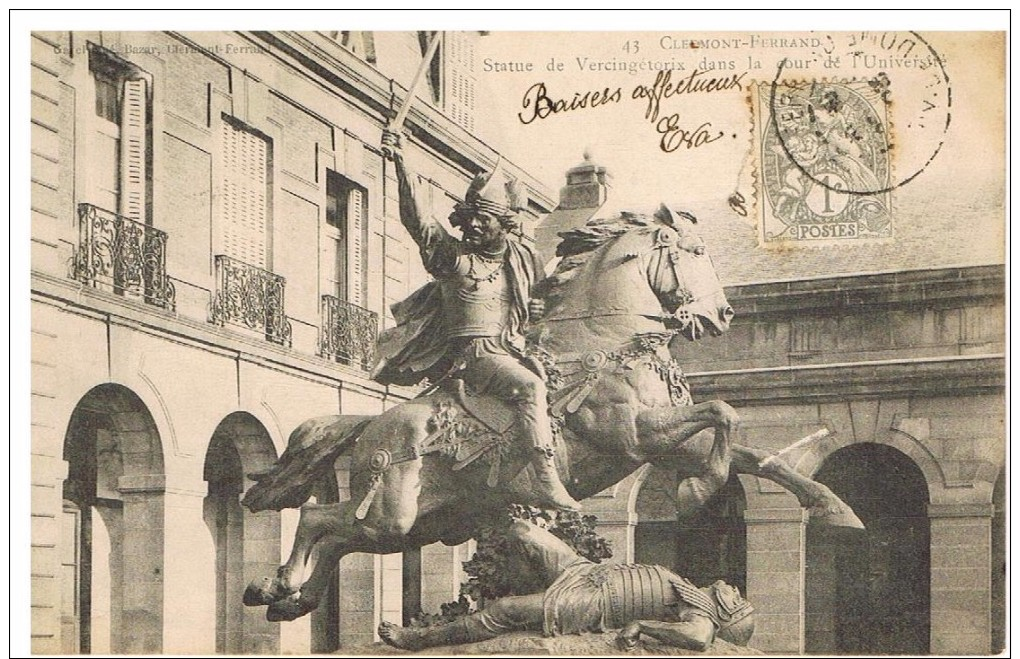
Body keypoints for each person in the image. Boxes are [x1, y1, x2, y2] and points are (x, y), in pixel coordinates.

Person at [374, 130, 580, 512]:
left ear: (505, 223)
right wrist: (401, 165)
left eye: (483, 220)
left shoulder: (518, 260)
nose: (472, 226)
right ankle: (546, 479)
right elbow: (418, 221)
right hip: (474, 355)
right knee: (531, 389)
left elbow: (537, 300)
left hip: (511, 349)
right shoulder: (453, 258)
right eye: (470, 219)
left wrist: (534, 315)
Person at [378, 521, 755, 651]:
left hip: (591, 602)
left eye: (737, 600)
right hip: (587, 571)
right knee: (523, 532)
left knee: (505, 612)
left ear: (727, 613)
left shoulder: (699, 612)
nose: (734, 589)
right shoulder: (688, 588)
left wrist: (642, 627)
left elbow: (698, 639)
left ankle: (419, 640)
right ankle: (524, 600)